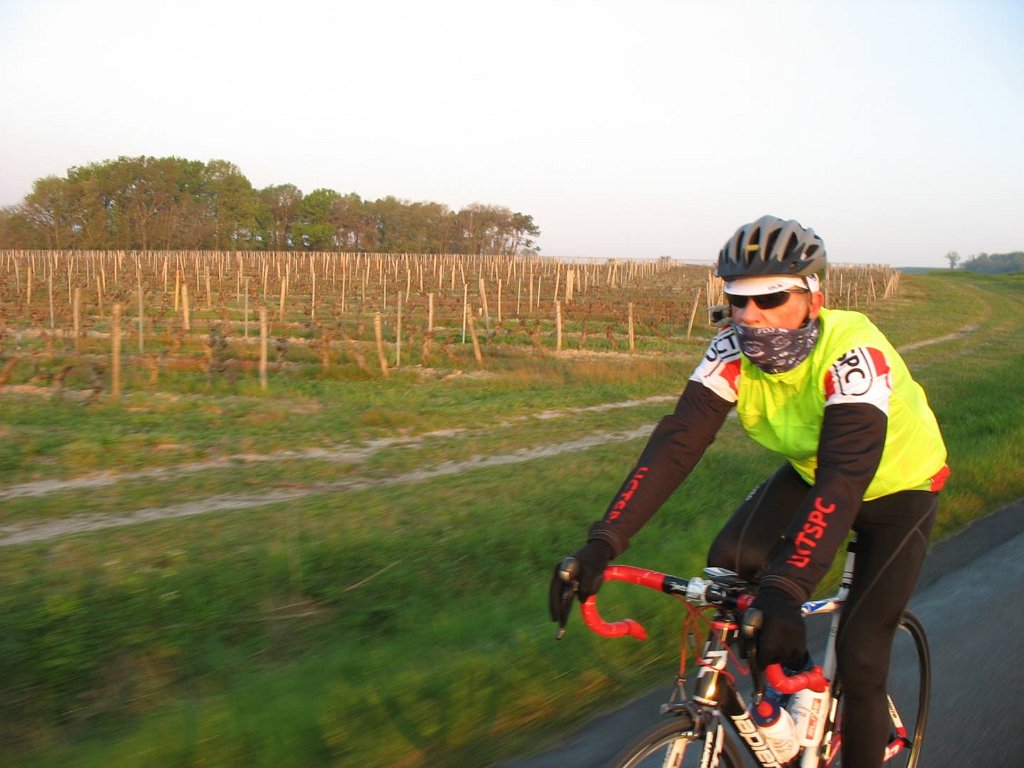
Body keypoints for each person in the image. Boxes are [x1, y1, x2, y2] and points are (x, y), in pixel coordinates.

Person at [549, 215, 948, 768]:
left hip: (898, 488)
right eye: (737, 300)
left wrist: (787, 586)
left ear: (813, 298)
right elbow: (676, 445)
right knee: (731, 566)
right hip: (814, 470)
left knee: (860, 656)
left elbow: (846, 475)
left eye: (771, 298)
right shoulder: (731, 351)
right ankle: (798, 687)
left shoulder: (853, 354)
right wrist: (603, 543)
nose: (749, 315)